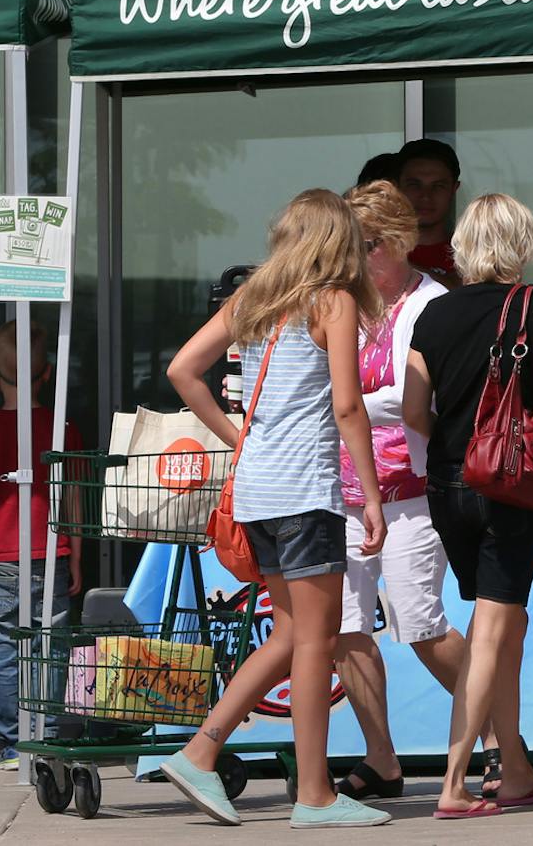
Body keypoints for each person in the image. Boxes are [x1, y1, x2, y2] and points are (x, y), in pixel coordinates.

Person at [159, 189, 390, 828]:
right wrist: (369, 496)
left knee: (292, 637)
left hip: (257, 489)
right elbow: (348, 407)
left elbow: (183, 369)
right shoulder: (333, 300)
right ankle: (313, 792)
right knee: (314, 642)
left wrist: (240, 438)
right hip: (306, 490)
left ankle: (202, 749)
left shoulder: (254, 299)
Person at [404, 194, 533, 819]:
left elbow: (415, 412)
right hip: (509, 487)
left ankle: (519, 769)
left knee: (504, 628)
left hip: (448, 485)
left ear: (464, 245)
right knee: (493, 630)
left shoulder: (434, 314)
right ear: (521, 244)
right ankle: (455, 782)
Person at [328, 181, 475, 802]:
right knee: (344, 627)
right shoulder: (341, 303)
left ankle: (497, 738)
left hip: (412, 488)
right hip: (341, 489)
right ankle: (382, 759)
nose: (349, 261)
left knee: (420, 624)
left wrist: (344, 404)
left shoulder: (432, 303)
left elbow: (426, 397)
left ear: (394, 244)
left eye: (361, 247)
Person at [0, 322, 82, 771]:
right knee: (50, 646)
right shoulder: (60, 429)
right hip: (51, 552)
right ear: (47, 373)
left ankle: (13, 742)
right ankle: (47, 735)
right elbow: (71, 498)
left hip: (1, 556)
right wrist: (77, 555)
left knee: (5, 646)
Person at [396, 138, 463, 286]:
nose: (426, 196)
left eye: (438, 186)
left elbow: (463, 294)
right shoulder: (376, 250)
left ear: (454, 189)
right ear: (397, 187)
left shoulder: (469, 254)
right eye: (414, 185)